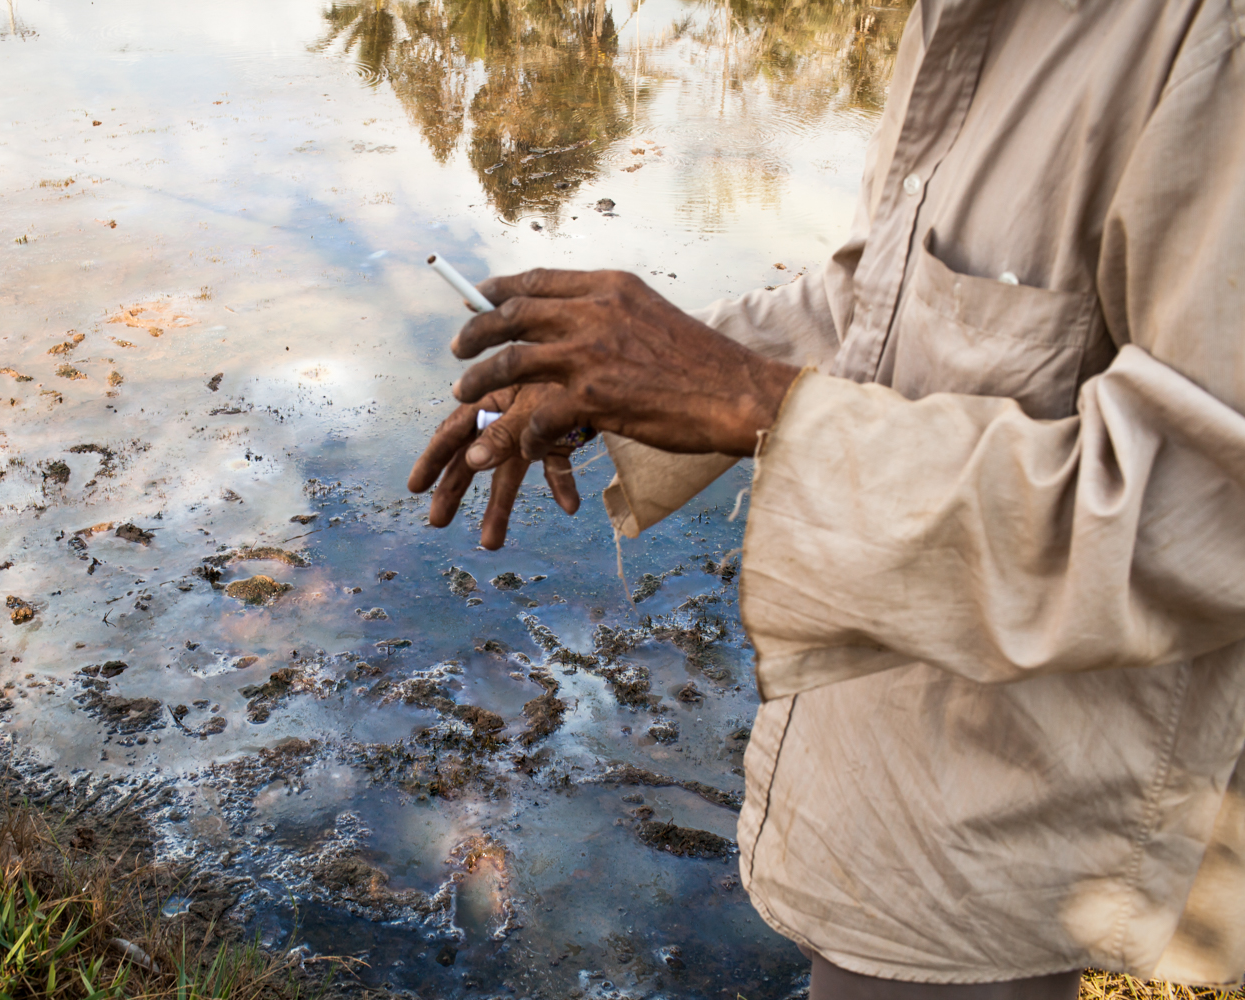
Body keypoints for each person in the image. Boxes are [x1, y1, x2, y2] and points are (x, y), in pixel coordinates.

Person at [407, 0, 1245, 995]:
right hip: (868, 754)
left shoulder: (1210, 39)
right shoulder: (960, 17)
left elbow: (1197, 514)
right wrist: (623, 385)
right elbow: (876, 304)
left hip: (999, 831)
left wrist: (748, 399)